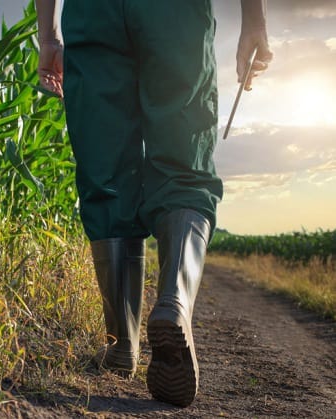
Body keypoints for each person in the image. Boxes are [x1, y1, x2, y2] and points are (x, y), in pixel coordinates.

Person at [34, 0, 272, 407]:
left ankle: (120, 343)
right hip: (172, 12)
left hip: (94, 14)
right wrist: (254, 18)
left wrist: (48, 34)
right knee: (184, 165)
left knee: (105, 173)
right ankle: (173, 301)